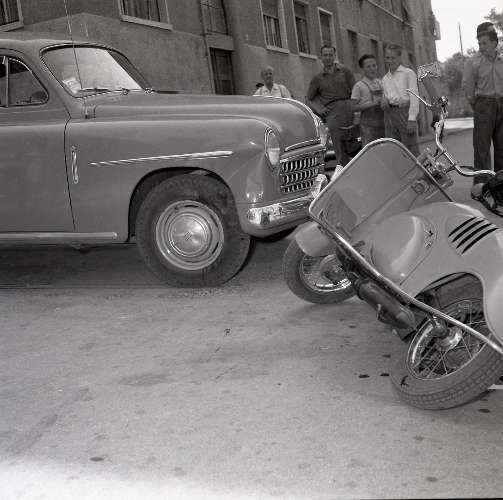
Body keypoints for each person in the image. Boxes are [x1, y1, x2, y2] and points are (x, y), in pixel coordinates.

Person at [462, 22, 503, 183]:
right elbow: (468, 87)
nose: (481, 47)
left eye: (485, 43)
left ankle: (499, 186)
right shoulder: (473, 62)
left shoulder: (502, 60)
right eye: (479, 44)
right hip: (483, 106)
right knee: (482, 150)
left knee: (502, 149)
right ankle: (481, 187)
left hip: (502, 106)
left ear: (494, 43)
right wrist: (476, 104)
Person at [306, 45, 356, 166]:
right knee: (339, 147)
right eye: (325, 55)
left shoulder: (345, 71)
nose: (328, 57)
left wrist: (356, 110)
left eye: (330, 55)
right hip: (333, 113)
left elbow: (355, 90)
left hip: (349, 110)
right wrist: (319, 109)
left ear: (334, 56)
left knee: (354, 145)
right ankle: (343, 172)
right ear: (321, 57)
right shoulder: (318, 78)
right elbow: (309, 98)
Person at [380, 44, 420, 156]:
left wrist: (412, 119)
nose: (390, 61)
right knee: (394, 150)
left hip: (404, 113)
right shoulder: (385, 78)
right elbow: (387, 95)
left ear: (399, 58)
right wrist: (384, 99)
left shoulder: (408, 73)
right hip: (389, 115)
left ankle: (415, 168)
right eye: (387, 57)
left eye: (393, 58)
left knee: (411, 151)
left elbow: (414, 97)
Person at [350, 54, 385, 146]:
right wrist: (372, 104)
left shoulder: (381, 83)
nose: (372, 69)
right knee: (371, 151)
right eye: (368, 66)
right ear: (362, 69)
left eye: (374, 65)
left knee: (385, 150)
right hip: (368, 127)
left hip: (383, 124)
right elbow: (352, 107)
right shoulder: (359, 86)